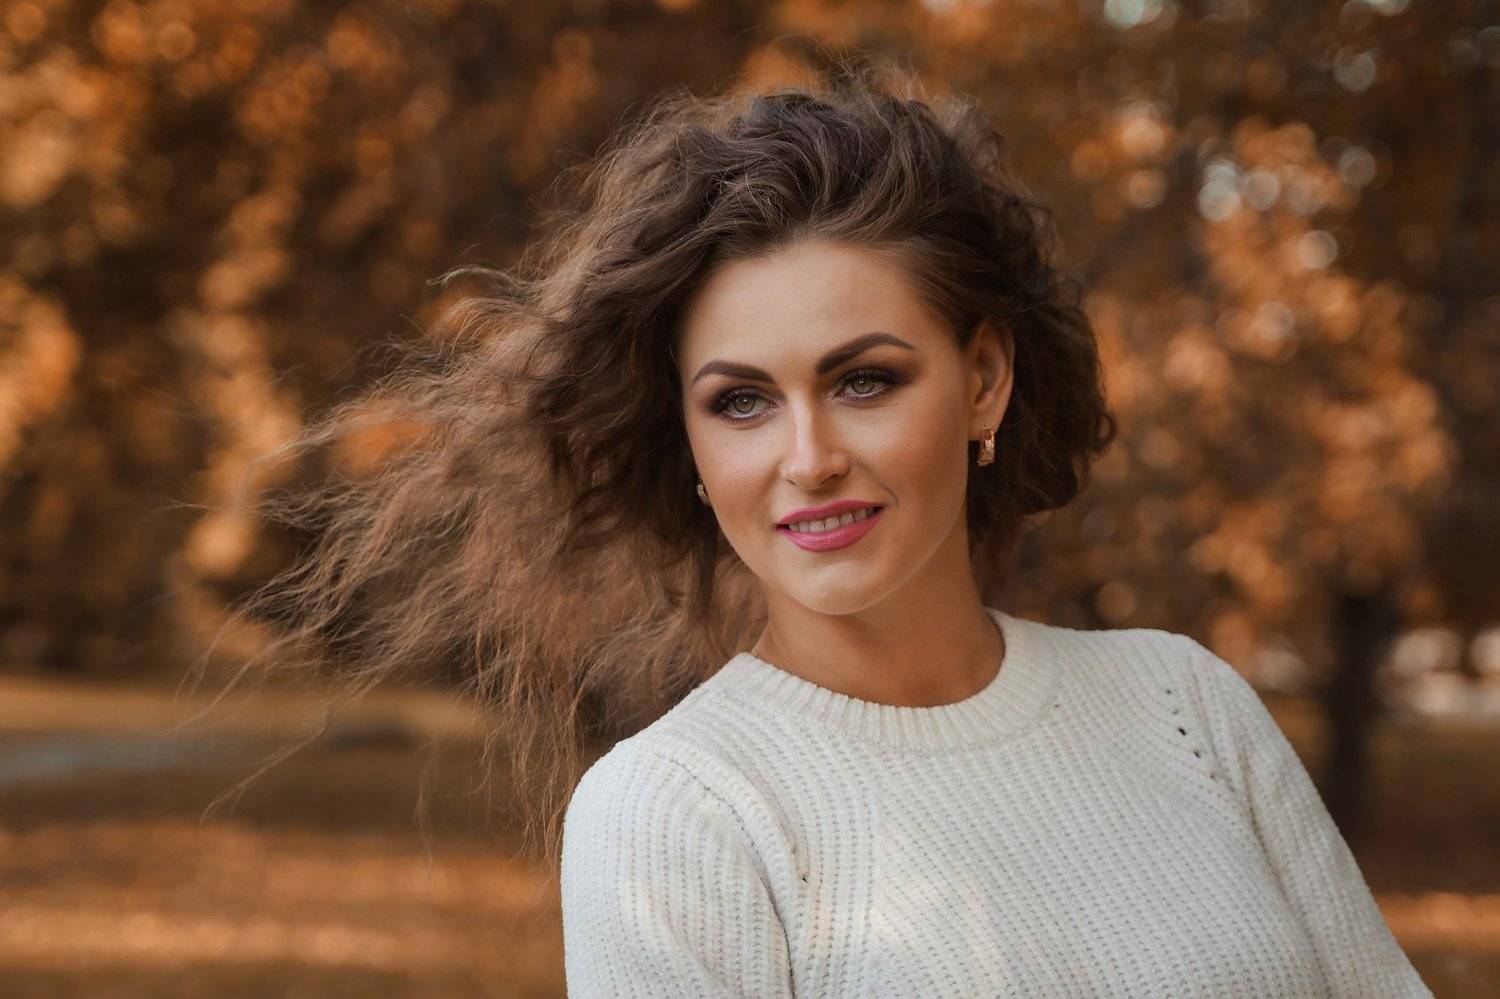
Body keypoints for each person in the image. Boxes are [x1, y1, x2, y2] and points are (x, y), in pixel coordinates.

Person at [199, 60, 1430, 996]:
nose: (807, 458)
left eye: (865, 380)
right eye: (741, 402)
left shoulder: (1185, 705)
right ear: (691, 445)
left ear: (984, 382)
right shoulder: (680, 811)